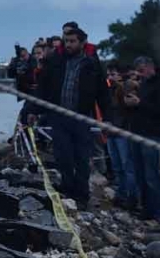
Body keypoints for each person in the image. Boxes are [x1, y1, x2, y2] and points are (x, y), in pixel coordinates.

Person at [30, 28, 110, 205]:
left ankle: (81, 195)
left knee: (82, 158)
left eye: (72, 41)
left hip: (82, 117)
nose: (68, 45)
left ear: (82, 43)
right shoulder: (55, 62)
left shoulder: (92, 65)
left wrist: (107, 118)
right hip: (58, 117)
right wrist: (32, 111)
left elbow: (103, 93)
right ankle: (67, 188)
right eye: (66, 41)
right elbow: (43, 88)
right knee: (63, 155)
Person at [124, 56, 160, 222]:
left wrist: (139, 103)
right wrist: (130, 104)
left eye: (142, 71)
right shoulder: (142, 84)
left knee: (152, 175)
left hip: (152, 133)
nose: (140, 74)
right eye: (138, 71)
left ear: (150, 68)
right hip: (136, 131)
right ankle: (147, 208)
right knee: (140, 173)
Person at [106, 64, 137, 209]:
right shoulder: (109, 91)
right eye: (109, 75)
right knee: (117, 167)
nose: (110, 78)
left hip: (123, 132)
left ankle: (132, 197)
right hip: (111, 133)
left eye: (113, 74)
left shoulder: (126, 89)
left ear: (120, 75)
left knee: (127, 167)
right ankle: (121, 195)